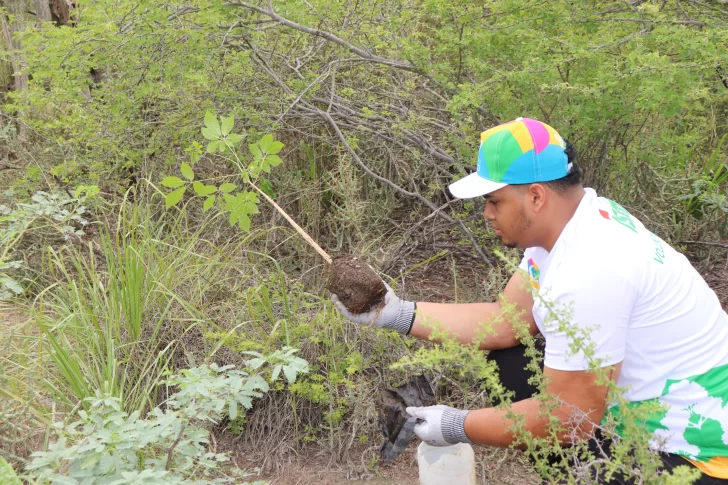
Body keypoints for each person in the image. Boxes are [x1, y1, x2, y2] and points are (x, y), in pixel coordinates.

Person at [331, 118, 728, 484]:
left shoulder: (590, 269)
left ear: (536, 196)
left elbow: (569, 418)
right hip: (649, 413)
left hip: (697, 458)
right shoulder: (582, 219)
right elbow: (506, 321)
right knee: (511, 356)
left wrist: (458, 425)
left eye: (494, 200)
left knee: (556, 411)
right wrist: (394, 314)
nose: (486, 213)